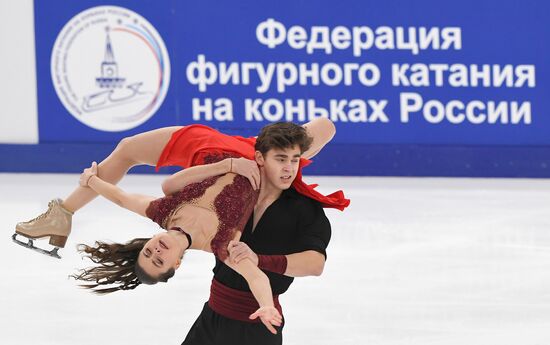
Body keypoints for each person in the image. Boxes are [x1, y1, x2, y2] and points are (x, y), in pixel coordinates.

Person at [13, 119, 349, 336]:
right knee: (322, 130)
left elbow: (122, 196)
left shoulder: (160, 212)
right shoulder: (221, 243)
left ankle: (60, 216)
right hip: (255, 165)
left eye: (148, 251)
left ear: (149, 239)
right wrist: (266, 304)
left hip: (209, 150)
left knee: (128, 148)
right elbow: (254, 274)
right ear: (177, 263)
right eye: (159, 260)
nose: (156, 250)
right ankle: (292, 156)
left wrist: (92, 181)